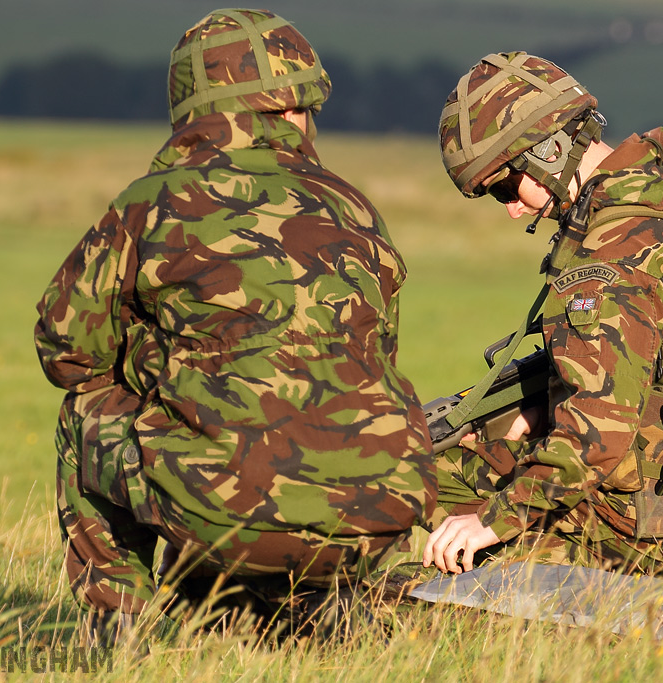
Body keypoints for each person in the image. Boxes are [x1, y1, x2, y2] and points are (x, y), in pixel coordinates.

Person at [34, 9, 436, 637]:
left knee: (84, 417)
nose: (309, 123)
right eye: (303, 107)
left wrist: (151, 362)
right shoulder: (353, 206)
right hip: (382, 511)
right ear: (282, 110)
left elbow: (65, 352)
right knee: (284, 417)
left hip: (233, 509)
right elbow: (372, 354)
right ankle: (303, 616)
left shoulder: (152, 202)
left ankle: (119, 636)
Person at [423, 52, 663, 575]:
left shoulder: (612, 251)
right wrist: (530, 412)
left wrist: (493, 522)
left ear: (550, 150)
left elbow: (595, 436)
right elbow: (651, 371)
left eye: (504, 187)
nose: (512, 209)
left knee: (417, 493)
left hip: (654, 528)